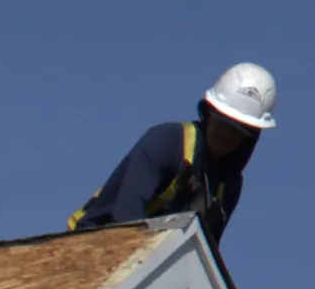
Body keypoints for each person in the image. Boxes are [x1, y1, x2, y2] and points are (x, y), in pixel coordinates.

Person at [75, 62, 279, 251]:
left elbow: (205, 252)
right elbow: (125, 218)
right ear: (209, 114)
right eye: (222, 123)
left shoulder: (227, 187)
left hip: (156, 260)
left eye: (237, 131)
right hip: (88, 248)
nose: (226, 135)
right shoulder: (167, 142)